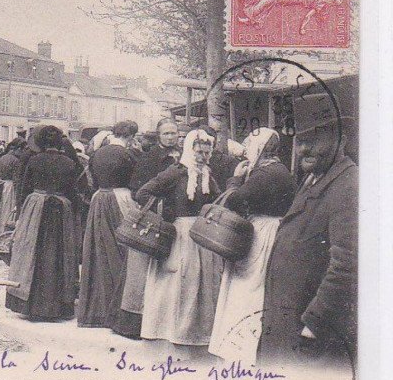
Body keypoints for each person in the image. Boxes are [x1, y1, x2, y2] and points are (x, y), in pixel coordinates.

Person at [258, 95, 358, 364]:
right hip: (289, 326)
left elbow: (348, 265)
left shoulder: (349, 185)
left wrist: (313, 325)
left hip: (313, 337)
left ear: (341, 140)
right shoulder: (314, 178)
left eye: (315, 140)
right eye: (301, 141)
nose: (304, 149)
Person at [208, 128, 296, 364]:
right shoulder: (280, 170)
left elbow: (235, 200)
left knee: (246, 287)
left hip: (261, 233)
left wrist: (235, 180)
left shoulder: (265, 174)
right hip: (274, 229)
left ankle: (240, 348)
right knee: (259, 286)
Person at [135, 129, 222, 351]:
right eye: (198, 152)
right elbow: (143, 193)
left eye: (206, 152)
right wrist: (166, 211)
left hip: (200, 235)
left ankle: (194, 333)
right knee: (174, 283)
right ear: (189, 151)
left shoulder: (207, 175)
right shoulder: (175, 172)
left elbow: (218, 199)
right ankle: (166, 331)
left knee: (197, 284)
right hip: (179, 234)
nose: (202, 157)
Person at [110, 118, 181, 338]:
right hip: (151, 221)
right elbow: (136, 189)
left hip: (173, 220)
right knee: (140, 271)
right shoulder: (148, 158)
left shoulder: (183, 157)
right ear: (158, 136)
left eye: (174, 133)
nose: (171, 137)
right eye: (166, 134)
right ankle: (133, 323)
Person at [6, 125, 79, 321]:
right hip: (60, 210)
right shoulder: (69, 163)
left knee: (32, 252)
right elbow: (73, 193)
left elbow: (25, 188)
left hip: (35, 207)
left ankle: (30, 303)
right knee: (57, 255)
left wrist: (22, 211)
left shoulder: (34, 160)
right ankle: (56, 306)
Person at [77, 120, 138, 328]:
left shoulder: (97, 154)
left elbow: (90, 181)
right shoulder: (129, 155)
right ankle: (117, 307)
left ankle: (95, 309)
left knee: (97, 250)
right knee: (121, 249)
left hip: (99, 198)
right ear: (129, 137)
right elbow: (135, 182)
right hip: (120, 199)